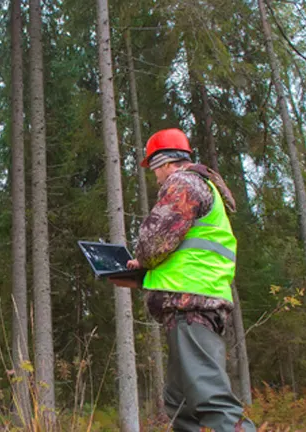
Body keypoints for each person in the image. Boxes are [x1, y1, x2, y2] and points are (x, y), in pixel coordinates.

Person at [109, 128, 256, 432]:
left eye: (154, 170)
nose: (156, 178)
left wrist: (142, 261)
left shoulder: (183, 183)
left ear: (164, 163)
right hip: (193, 303)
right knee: (179, 404)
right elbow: (183, 254)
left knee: (211, 399)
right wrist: (142, 278)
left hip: (191, 307)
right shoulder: (203, 187)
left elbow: (155, 240)